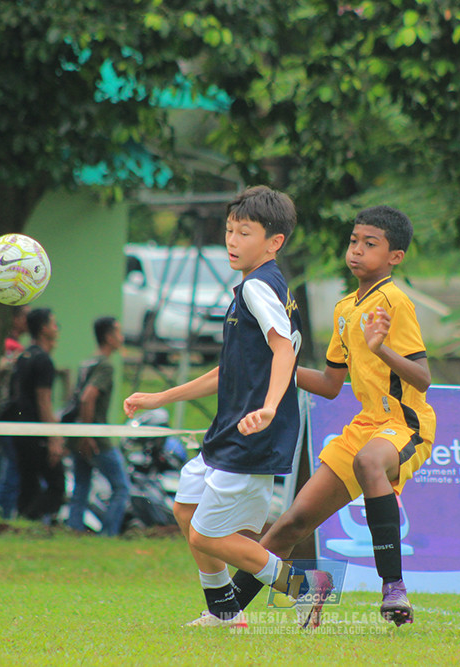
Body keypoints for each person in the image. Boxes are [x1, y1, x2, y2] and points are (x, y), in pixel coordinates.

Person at [123, 185, 325, 629]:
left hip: (254, 433)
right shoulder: (253, 288)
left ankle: (306, 589)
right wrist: (160, 396)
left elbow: (284, 353)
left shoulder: (258, 288)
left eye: (244, 232)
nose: (232, 240)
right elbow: (227, 373)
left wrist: (270, 407)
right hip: (229, 429)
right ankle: (224, 611)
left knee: (208, 534)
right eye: (229, 230)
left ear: (274, 242)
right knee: (186, 510)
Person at [227, 205, 437, 627]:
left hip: (404, 424)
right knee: (291, 523)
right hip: (364, 427)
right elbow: (328, 384)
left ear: (395, 256)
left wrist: (382, 350)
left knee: (369, 461)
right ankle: (228, 608)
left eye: (370, 244)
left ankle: (393, 587)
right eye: (354, 241)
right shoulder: (345, 308)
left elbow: (423, 377)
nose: (357, 250)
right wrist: (275, 367)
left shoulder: (395, 301)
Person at [66, 316, 129, 536]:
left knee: (81, 485)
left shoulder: (87, 362)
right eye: (118, 332)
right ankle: (108, 534)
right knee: (121, 488)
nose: (121, 337)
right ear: (109, 337)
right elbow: (86, 398)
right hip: (95, 435)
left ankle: (73, 529)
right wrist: (89, 433)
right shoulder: (105, 366)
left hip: (76, 433)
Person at [9, 307, 65, 522]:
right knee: (57, 487)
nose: (56, 328)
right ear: (43, 328)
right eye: (53, 323)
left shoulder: (23, 356)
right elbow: (44, 401)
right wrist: (53, 438)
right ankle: (27, 519)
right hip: (36, 430)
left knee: (28, 483)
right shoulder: (43, 360)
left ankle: (23, 525)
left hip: (19, 428)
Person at [0, 305, 29, 518]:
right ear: (16, 319)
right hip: (3, 415)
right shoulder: (10, 348)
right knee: (4, 467)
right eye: (25, 316)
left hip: (2, 416)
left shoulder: (13, 346)